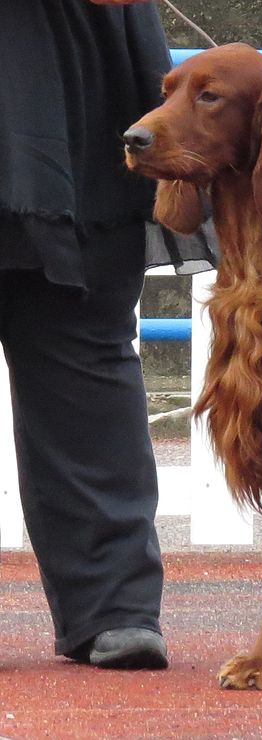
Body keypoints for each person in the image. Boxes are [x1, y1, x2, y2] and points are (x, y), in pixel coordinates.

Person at [0, 0, 215, 668]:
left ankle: (114, 604)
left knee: (83, 339)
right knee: (84, 345)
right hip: (63, 67)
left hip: (67, 72)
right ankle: (112, 602)